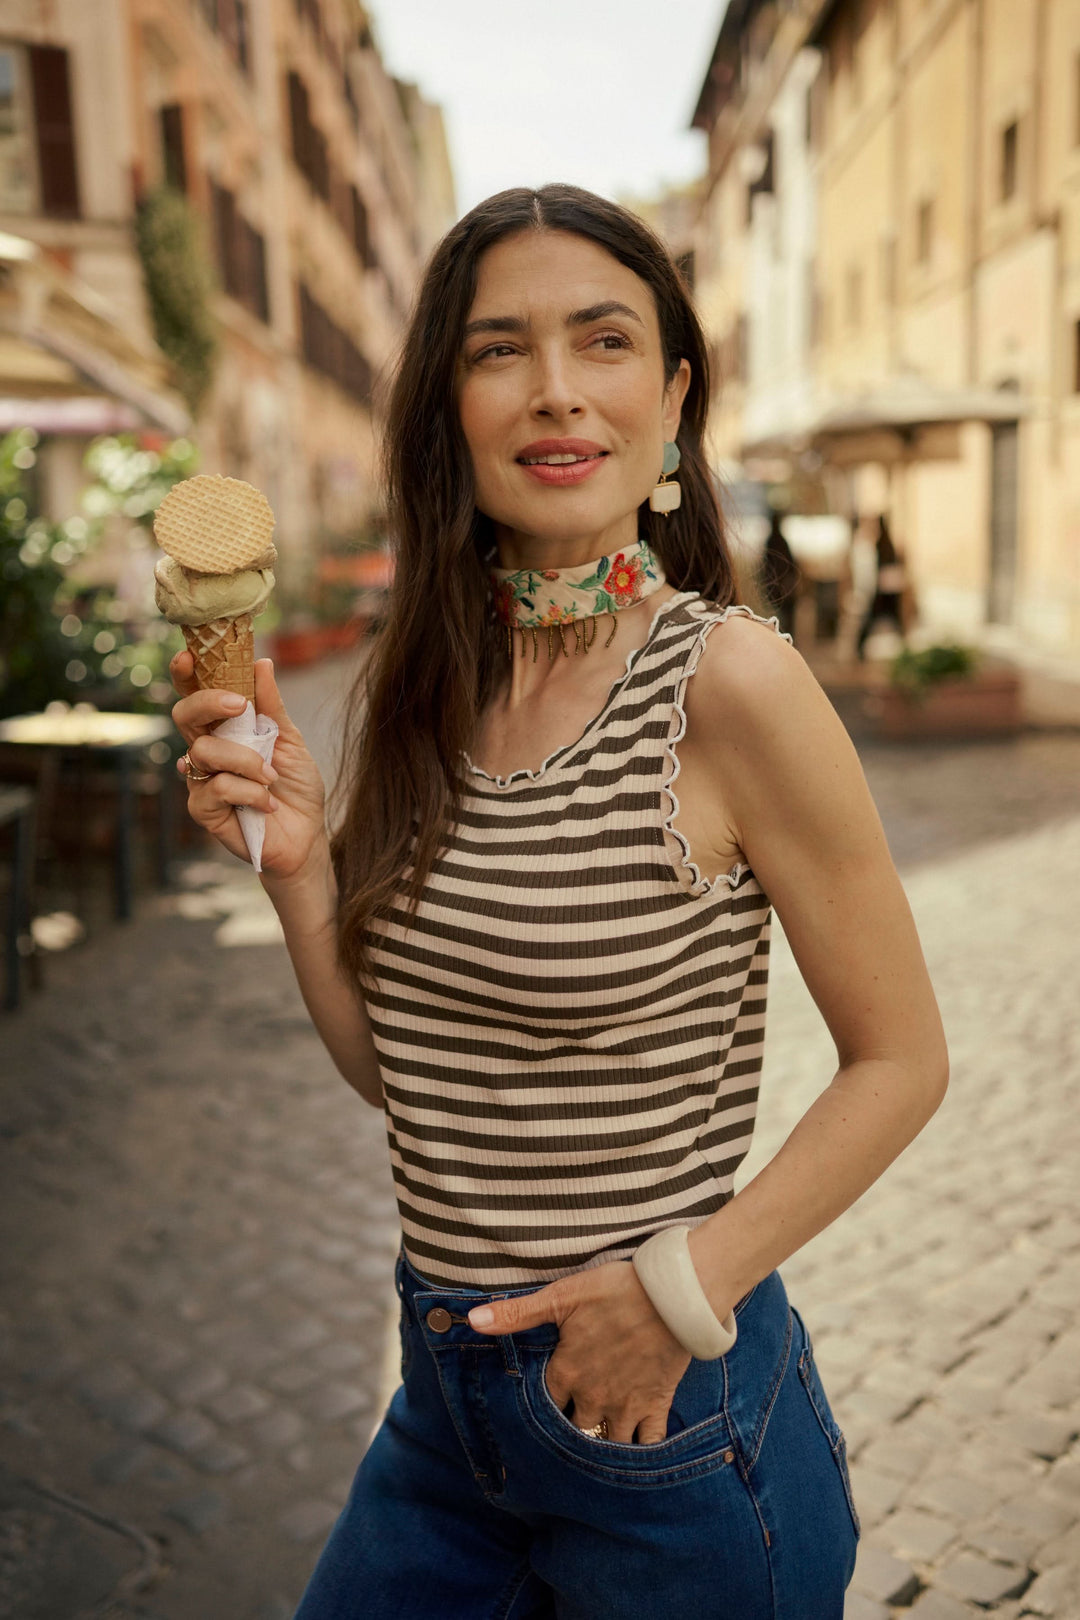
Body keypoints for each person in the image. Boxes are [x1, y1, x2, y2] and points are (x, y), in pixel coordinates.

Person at [167, 184, 948, 1620]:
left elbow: (904, 1061)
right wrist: (300, 876)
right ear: (446, 410)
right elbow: (407, 1080)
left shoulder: (731, 681)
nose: (553, 391)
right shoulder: (424, 684)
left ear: (669, 398)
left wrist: (678, 1292)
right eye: (496, 350)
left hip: (666, 1435)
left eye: (602, 342)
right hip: (444, 1416)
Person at [856, 513, 908, 659]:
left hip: (883, 592)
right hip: (886, 591)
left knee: (873, 620)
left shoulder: (882, 545)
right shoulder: (885, 544)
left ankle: (860, 649)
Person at [759, 507, 800, 640]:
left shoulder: (773, 542)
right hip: (781, 589)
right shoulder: (779, 541)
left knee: (781, 620)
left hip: (777, 590)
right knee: (784, 620)